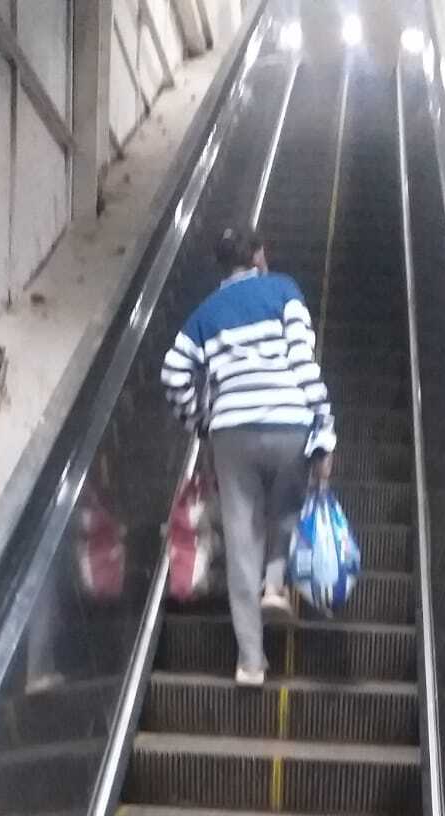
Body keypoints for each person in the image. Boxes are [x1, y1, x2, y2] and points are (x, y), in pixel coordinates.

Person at [160, 225, 336, 686]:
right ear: (259, 255)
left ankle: (251, 662)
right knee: (286, 510)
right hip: (288, 420)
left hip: (232, 431)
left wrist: (200, 418)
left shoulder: (204, 313)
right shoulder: (283, 290)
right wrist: (325, 430)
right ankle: (275, 585)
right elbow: (304, 361)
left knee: (241, 541)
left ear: (222, 265)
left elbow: (173, 373)